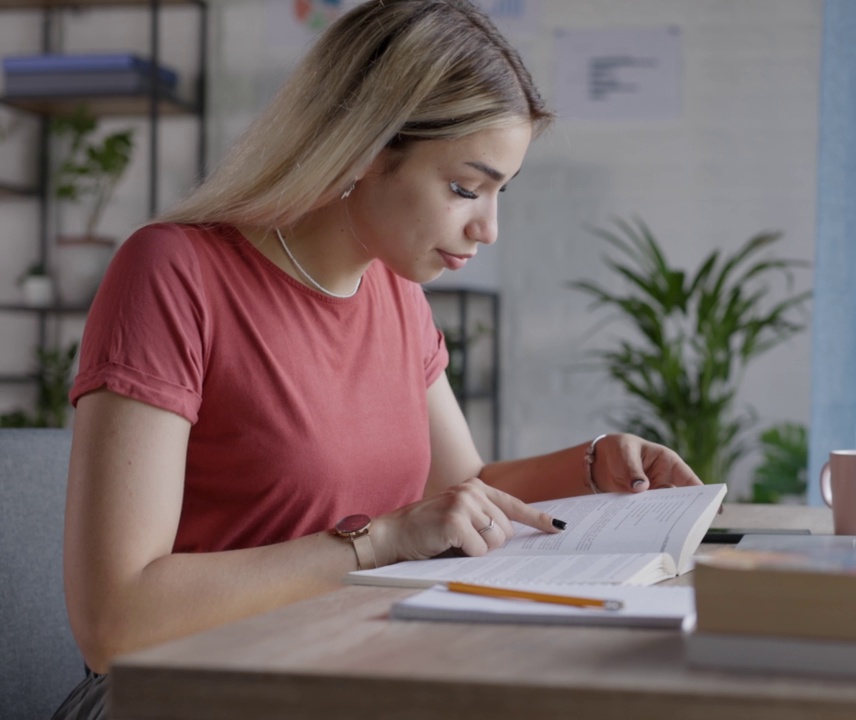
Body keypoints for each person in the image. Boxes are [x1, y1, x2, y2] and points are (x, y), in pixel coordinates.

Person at [54, 1, 701, 715]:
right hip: (183, 688)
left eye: (499, 193)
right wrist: (379, 542)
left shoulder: (395, 291)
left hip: (347, 665)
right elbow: (113, 624)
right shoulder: (174, 273)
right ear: (364, 146)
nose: (488, 229)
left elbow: (461, 492)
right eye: (464, 188)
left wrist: (593, 464)